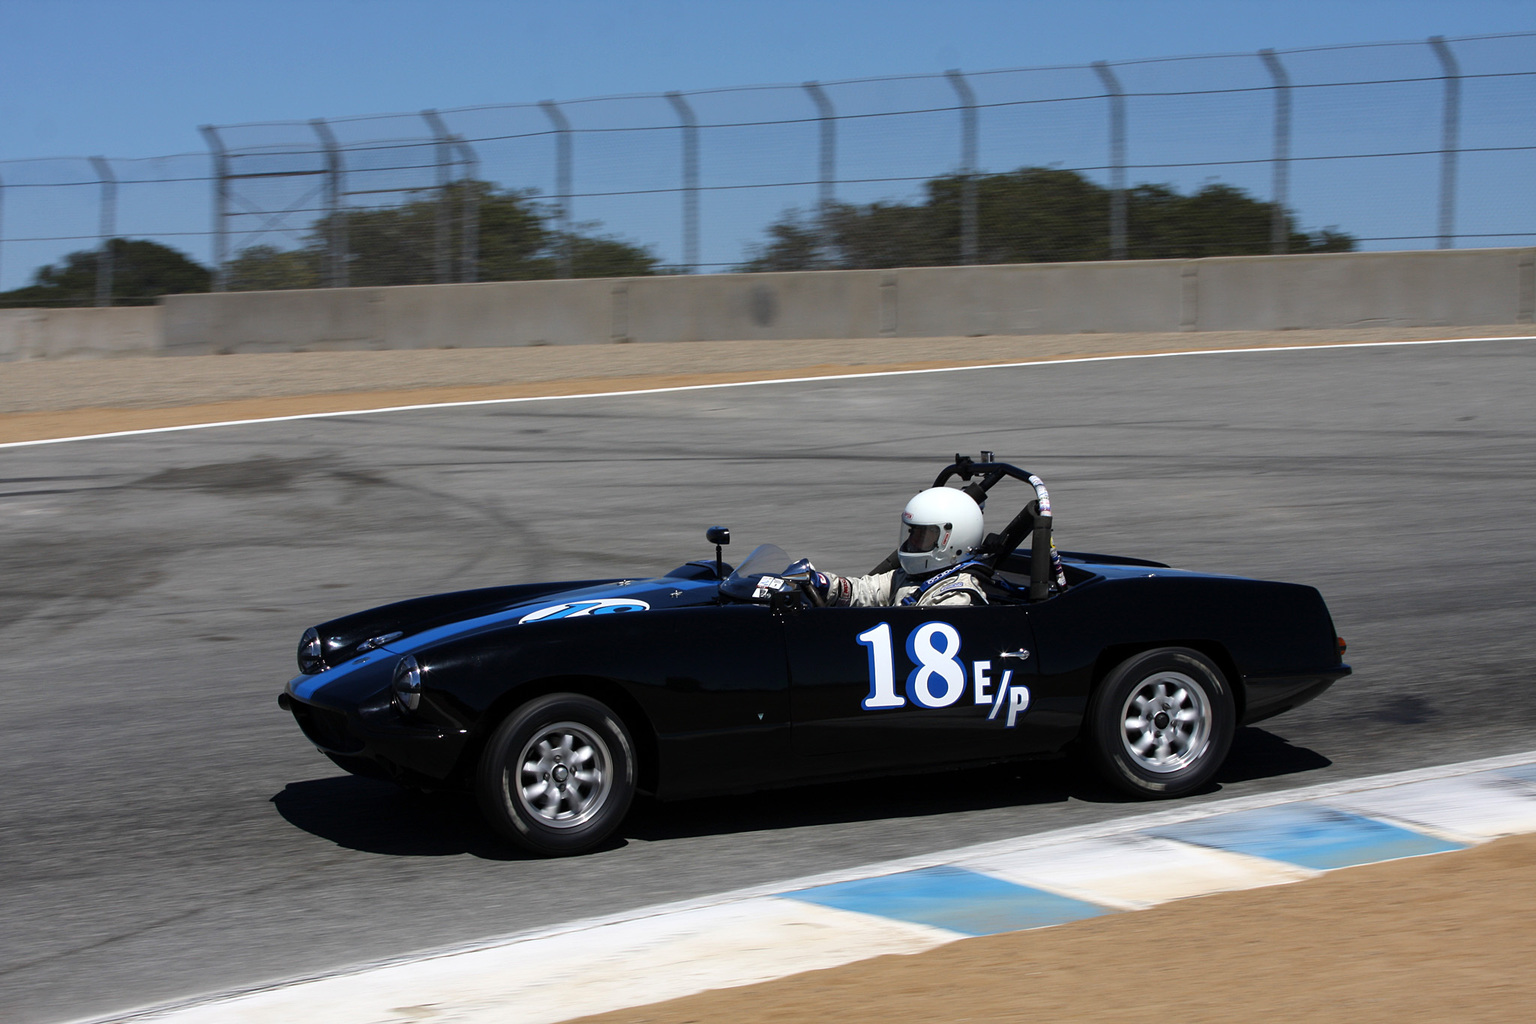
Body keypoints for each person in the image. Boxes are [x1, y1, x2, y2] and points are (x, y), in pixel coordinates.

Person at [813, 486, 990, 607]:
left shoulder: (957, 596)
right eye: (912, 531)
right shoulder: (907, 577)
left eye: (923, 534)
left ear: (951, 540)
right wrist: (824, 584)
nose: (912, 540)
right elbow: (865, 591)